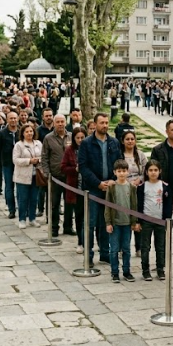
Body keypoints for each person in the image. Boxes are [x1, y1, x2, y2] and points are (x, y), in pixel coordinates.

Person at [78, 113, 121, 265]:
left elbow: (119, 163)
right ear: (95, 124)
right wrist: (98, 183)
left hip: (109, 189)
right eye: (102, 123)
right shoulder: (86, 143)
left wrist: (113, 180)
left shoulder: (114, 142)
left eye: (106, 123)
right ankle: (88, 255)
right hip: (93, 189)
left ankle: (104, 252)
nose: (105, 125)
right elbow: (83, 167)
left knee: (106, 222)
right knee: (90, 223)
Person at [136, 160, 171, 281]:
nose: (153, 172)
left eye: (155, 170)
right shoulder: (142, 187)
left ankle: (160, 269)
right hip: (146, 221)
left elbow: (168, 205)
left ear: (160, 171)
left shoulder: (165, 186)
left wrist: (167, 220)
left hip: (160, 221)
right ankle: (145, 271)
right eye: (150, 170)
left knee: (160, 247)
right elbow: (139, 204)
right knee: (145, 246)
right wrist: (138, 221)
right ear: (146, 172)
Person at [104, 159, 138, 283]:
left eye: (124, 171)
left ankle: (126, 271)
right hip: (115, 223)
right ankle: (114, 272)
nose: (122, 173)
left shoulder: (132, 187)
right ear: (115, 172)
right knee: (114, 249)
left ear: (128, 172)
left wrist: (134, 221)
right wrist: (108, 222)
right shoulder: (112, 187)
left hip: (127, 223)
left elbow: (134, 205)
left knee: (126, 249)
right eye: (119, 171)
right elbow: (107, 205)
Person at [40, 114, 72, 237]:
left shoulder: (71, 136)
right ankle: (54, 227)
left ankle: (68, 226)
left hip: (69, 176)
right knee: (54, 204)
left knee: (69, 203)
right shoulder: (48, 138)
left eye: (62, 121)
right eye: (57, 122)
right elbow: (44, 157)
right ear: (54, 123)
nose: (60, 124)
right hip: (55, 176)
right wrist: (46, 172)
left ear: (65, 122)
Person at [62, 127, 87, 254]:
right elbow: (63, 167)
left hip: (88, 187)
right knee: (79, 216)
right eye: (78, 138)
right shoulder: (69, 150)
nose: (80, 140)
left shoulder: (89, 149)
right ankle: (80, 242)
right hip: (76, 188)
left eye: (82, 137)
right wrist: (74, 169)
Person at [13, 123, 42, 228]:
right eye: (27, 132)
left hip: (36, 175)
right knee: (23, 199)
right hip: (23, 176)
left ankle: (32, 218)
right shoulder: (19, 145)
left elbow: (43, 156)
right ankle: (22, 219)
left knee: (34, 198)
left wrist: (38, 160)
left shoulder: (38, 143)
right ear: (23, 133)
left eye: (31, 131)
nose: (29, 133)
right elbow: (15, 160)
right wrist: (29, 161)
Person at [0, 111, 20, 218]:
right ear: (7, 119)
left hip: (20, 163)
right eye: (11, 118)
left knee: (20, 186)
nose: (13, 120)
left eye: (15, 118)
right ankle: (11, 209)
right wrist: (0, 162)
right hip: (7, 163)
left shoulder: (21, 131)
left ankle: (22, 208)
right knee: (9, 186)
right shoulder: (2, 133)